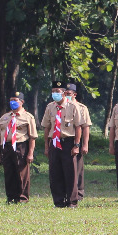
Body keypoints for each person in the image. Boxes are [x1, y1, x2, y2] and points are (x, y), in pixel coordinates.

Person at [40, 80, 86, 208]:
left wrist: (77, 145)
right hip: (54, 142)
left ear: (64, 93)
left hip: (68, 142)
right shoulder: (50, 107)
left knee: (70, 172)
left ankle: (72, 201)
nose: (55, 94)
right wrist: (46, 147)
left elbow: (78, 127)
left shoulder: (73, 106)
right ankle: (58, 201)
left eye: (58, 91)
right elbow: (47, 128)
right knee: (55, 173)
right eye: (53, 91)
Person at [0, 91, 37, 203]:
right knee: (9, 172)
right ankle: (11, 197)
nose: (12, 102)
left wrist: (30, 153)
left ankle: (22, 197)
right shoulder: (4, 117)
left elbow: (32, 137)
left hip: (20, 146)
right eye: (11, 100)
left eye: (15, 100)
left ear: (22, 102)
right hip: (6, 146)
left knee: (22, 173)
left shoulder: (28, 117)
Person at [65, 84, 92, 200]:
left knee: (78, 168)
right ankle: (67, 193)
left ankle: (79, 193)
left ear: (74, 94)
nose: (66, 96)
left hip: (76, 141)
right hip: (63, 140)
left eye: (69, 94)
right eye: (64, 94)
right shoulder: (60, 107)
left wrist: (84, 144)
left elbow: (85, 127)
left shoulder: (82, 108)